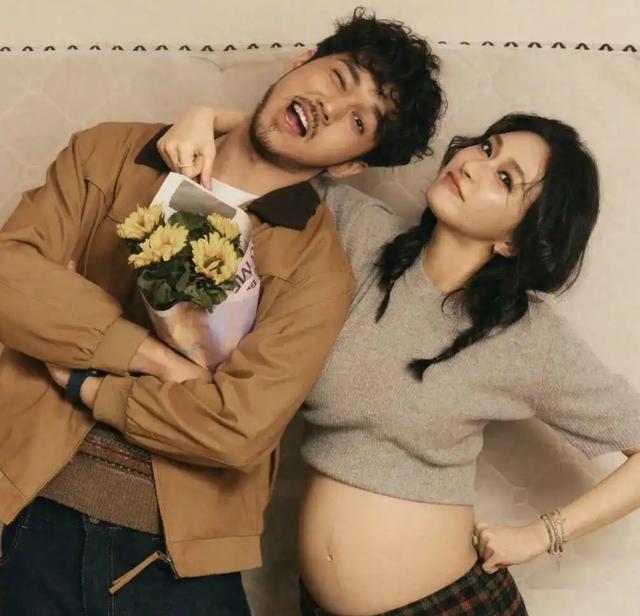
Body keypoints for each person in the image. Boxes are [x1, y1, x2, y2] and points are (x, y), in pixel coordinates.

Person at [0, 9, 444, 615]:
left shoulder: (317, 271)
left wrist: (88, 383)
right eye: (338, 78)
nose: (331, 107)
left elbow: (238, 429)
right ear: (301, 62)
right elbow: (11, 278)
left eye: (358, 121)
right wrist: (152, 357)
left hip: (173, 562)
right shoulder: (109, 151)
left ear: (349, 165)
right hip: (22, 508)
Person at [161, 108, 640, 615]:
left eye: (505, 178)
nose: (473, 164)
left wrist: (542, 535)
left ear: (516, 239)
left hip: (451, 604)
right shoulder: (361, 232)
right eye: (486, 147)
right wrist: (204, 117)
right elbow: (276, 153)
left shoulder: (527, 336)